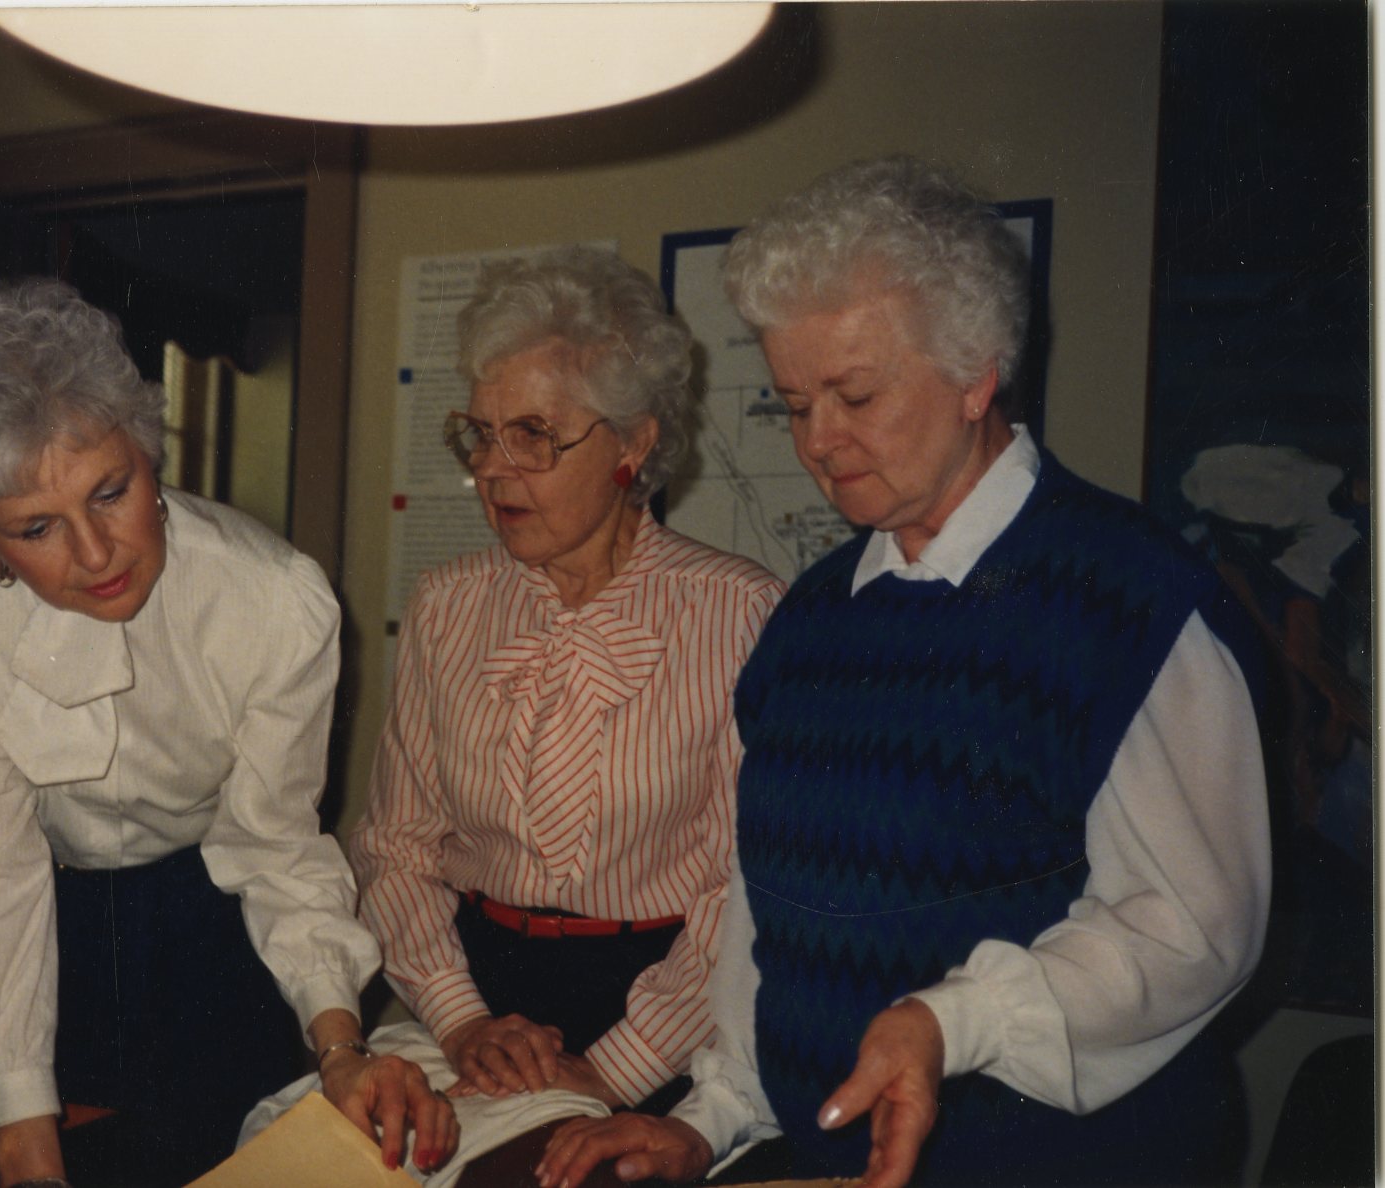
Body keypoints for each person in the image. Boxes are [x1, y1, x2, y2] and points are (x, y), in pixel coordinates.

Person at [535, 157, 1271, 1188]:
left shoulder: (1131, 602)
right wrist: (716, 1116)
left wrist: (951, 1020)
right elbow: (768, 918)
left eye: (855, 394)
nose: (820, 443)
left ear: (977, 373)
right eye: (794, 404)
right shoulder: (809, 620)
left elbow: (1193, 931)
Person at [0, 275, 456, 1188]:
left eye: (112, 490)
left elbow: (272, 844)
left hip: (204, 917)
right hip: (24, 925)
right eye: (34, 528)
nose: (96, 555)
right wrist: (27, 1145)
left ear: (150, 447)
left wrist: (340, 1045)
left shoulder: (271, 600)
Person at [351, 248, 784, 1122]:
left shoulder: (743, 614)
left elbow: (743, 890)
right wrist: (463, 1020)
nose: (493, 470)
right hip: (473, 1006)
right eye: (481, 432)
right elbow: (396, 848)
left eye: (534, 435)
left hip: (664, 1017)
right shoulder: (447, 606)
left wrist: (616, 1071)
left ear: (634, 443)